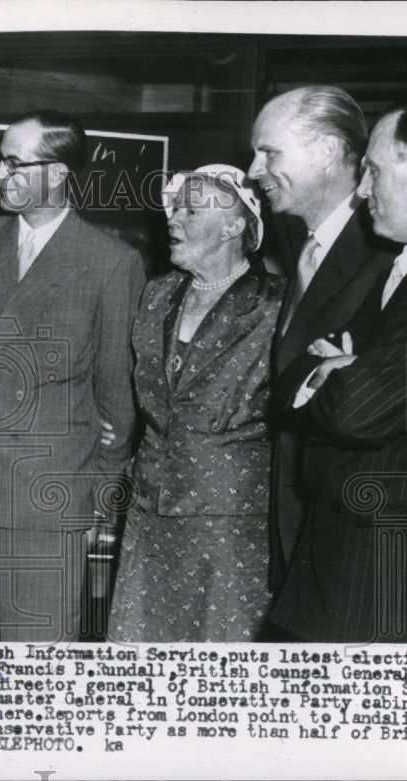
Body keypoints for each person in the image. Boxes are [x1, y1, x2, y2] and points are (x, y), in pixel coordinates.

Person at [266, 97, 407, 643]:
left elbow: (360, 410)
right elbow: (290, 381)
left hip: (394, 578)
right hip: (353, 568)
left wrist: (341, 372)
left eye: (373, 170)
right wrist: (334, 370)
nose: (361, 190)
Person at [0, 110, 146, 642]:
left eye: (14, 163)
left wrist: (97, 495)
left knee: (38, 657)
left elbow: (116, 395)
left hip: (46, 494)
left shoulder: (110, 262)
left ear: (57, 173)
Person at [105, 165, 284, 642]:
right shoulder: (157, 293)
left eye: (189, 208)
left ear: (234, 225)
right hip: (149, 508)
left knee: (218, 659)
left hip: (229, 518)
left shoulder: (276, 305)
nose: (173, 219)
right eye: (174, 207)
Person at [247, 86, 399, 595]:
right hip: (300, 529)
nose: (253, 170)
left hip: (352, 541)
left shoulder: (387, 254)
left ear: (329, 153)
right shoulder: (305, 250)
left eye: (269, 152)